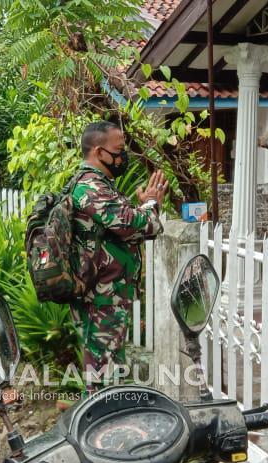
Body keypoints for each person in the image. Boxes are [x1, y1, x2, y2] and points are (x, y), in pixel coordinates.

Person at [70, 121, 167, 391]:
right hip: (99, 302)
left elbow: (126, 229)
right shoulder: (89, 188)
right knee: (103, 383)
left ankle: (108, 427)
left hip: (108, 299)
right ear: (100, 152)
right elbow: (135, 224)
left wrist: (144, 209)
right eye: (119, 149)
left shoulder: (102, 186)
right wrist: (151, 205)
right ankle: (99, 430)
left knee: (111, 376)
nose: (124, 155)